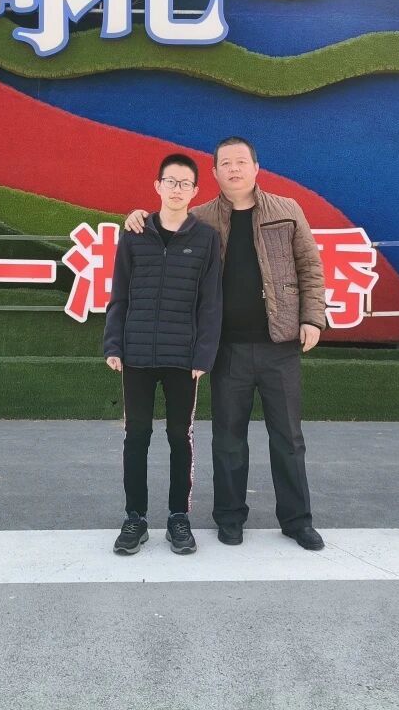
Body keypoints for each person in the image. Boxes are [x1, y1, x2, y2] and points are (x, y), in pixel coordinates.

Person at [126, 137, 327, 551]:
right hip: (226, 349)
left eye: (241, 162)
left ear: (256, 167)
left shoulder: (288, 210)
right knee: (228, 439)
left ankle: (297, 520)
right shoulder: (200, 218)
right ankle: (230, 518)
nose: (234, 169)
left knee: (288, 437)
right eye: (225, 164)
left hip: (279, 345)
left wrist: (312, 317)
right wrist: (137, 217)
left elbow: (310, 266)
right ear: (214, 173)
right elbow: (163, 225)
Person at [104, 153, 223, 555]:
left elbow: (211, 302)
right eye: (170, 181)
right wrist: (114, 343)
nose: (176, 189)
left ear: (195, 191)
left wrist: (204, 355)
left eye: (184, 183)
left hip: (183, 359)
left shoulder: (206, 238)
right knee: (136, 435)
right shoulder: (135, 234)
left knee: (179, 437)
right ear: (157, 186)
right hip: (136, 354)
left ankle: (178, 518)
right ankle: (134, 519)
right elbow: (119, 293)